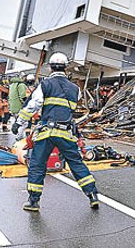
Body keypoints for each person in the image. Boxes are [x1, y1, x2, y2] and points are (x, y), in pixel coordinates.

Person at [12, 52, 99, 212]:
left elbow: (33, 104)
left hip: (46, 132)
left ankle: (33, 201)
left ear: (50, 67)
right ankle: (92, 195)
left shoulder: (45, 85)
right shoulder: (75, 89)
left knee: (37, 165)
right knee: (76, 163)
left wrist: (19, 123)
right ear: (66, 68)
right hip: (66, 132)